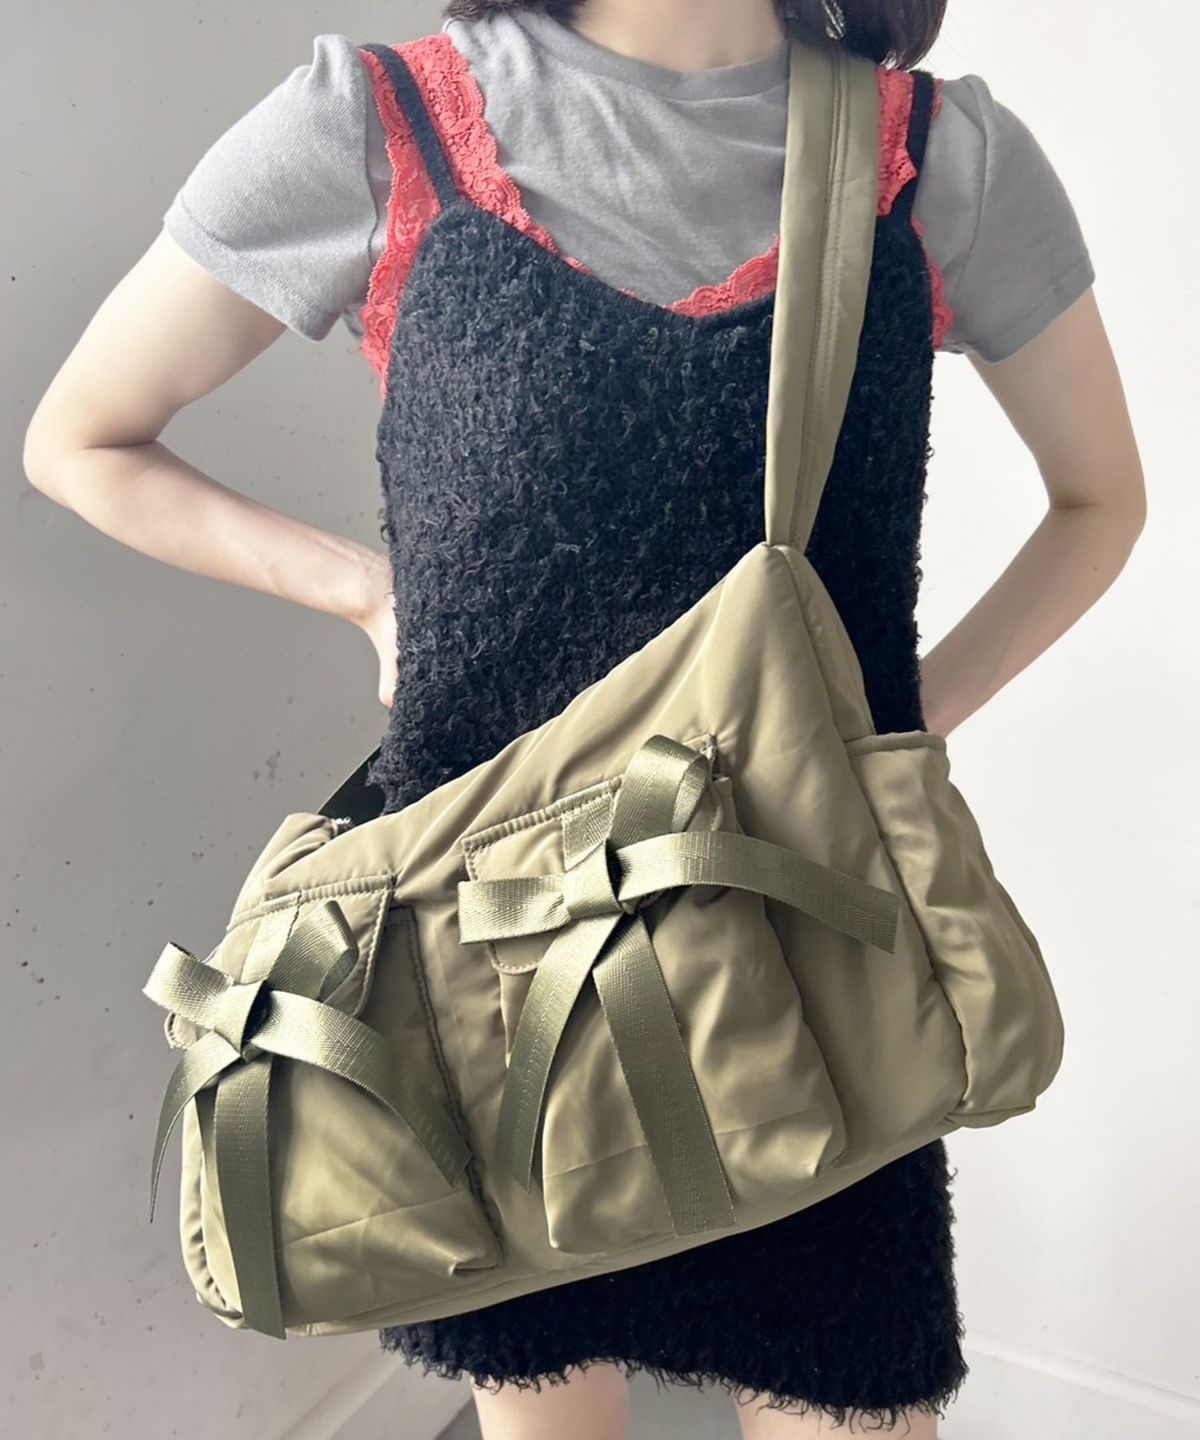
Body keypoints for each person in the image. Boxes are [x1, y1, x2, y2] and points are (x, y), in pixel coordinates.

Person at [22, 1, 1146, 1436]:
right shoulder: (375, 127)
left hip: (817, 958)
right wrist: (366, 593)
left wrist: (896, 730)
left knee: (857, 1377)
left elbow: (1100, 502)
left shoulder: (940, 158)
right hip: (489, 977)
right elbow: (82, 439)